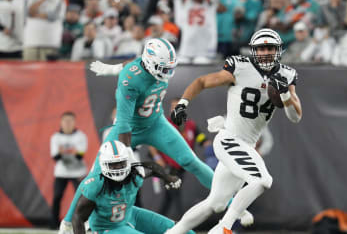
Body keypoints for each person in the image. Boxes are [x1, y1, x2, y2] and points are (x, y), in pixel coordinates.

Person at [59, 37, 253, 234]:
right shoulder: (129, 81)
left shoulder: (146, 66)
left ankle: (235, 204)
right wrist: (126, 155)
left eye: (169, 67)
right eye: (163, 67)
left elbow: (132, 63)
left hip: (155, 123)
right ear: (150, 62)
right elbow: (124, 122)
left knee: (191, 161)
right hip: (129, 129)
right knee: (96, 173)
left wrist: (112, 68)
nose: (167, 72)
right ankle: (67, 222)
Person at [166, 28, 302, 234]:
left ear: (278, 50)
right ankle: (224, 228)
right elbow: (202, 82)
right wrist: (183, 103)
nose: (266, 52)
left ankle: (173, 232)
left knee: (216, 203)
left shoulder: (286, 74)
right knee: (262, 180)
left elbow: (295, 117)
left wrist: (284, 95)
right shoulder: (240, 66)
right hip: (230, 139)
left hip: (245, 144)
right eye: (261, 48)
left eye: (270, 48)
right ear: (254, 50)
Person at [72, 140, 188, 234]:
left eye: (121, 163)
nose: (118, 168)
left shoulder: (135, 175)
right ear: (103, 165)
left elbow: (152, 168)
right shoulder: (96, 185)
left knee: (182, 229)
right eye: (113, 164)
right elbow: (78, 217)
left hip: (130, 214)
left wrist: (168, 177)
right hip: (107, 228)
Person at [148, 97, 212, 219]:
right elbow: (151, 142)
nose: (174, 109)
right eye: (172, 107)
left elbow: (201, 139)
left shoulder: (190, 125)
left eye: (177, 107)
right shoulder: (164, 124)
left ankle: (156, 224)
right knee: (175, 195)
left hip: (183, 166)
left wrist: (211, 147)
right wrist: (157, 158)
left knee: (168, 198)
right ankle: (183, 226)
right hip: (168, 167)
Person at [50, 111, 88, 229]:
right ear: (61, 122)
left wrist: (64, 152)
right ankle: (54, 224)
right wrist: (72, 152)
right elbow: (56, 157)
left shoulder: (81, 136)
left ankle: (83, 223)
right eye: (65, 121)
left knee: (83, 199)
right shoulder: (55, 137)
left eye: (70, 120)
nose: (67, 123)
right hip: (61, 172)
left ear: (74, 122)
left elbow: (79, 155)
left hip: (78, 172)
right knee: (57, 196)